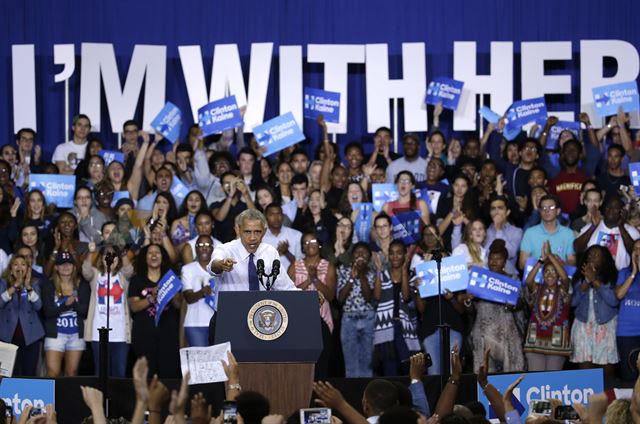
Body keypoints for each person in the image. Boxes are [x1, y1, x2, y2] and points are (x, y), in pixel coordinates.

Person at [468, 240, 525, 373]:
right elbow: (470, 311)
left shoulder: (513, 280)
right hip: (483, 335)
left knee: (511, 378)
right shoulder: (479, 280)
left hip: (507, 336)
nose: (494, 262)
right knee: (485, 379)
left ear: (505, 262)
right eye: (491, 258)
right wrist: (468, 301)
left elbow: (522, 304)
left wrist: (514, 305)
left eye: (498, 258)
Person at [207, 209, 297, 291]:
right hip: (230, 307)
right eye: (247, 232)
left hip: (260, 308)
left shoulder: (270, 252)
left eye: (257, 232)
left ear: (264, 231)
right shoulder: (225, 249)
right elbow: (213, 267)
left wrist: (306, 300)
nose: (252, 238)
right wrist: (220, 265)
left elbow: (286, 287)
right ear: (238, 230)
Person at [128, 244, 181, 377]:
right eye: (150, 253)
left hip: (168, 332)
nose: (154, 255)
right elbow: (134, 306)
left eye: (157, 253)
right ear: (144, 258)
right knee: (147, 373)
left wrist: (172, 291)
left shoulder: (170, 279)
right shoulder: (136, 280)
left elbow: (179, 304)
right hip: (144, 333)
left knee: (168, 372)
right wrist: (151, 298)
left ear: (162, 258)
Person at [288, 232, 336, 377]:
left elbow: (330, 296)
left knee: (322, 362)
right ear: (302, 247)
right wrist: (308, 281)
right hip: (299, 319)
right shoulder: (294, 266)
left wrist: (315, 279)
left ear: (320, 244)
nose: (310, 245)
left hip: (322, 317)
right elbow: (288, 294)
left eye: (313, 241)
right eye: (306, 243)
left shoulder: (328, 266)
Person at [82, 243, 133, 378]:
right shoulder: (96, 275)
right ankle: (101, 400)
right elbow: (86, 271)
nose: (110, 257)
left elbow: (129, 270)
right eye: (106, 254)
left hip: (121, 334)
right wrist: (91, 252)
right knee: (101, 374)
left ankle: (117, 400)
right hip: (98, 333)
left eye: (113, 255)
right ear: (101, 258)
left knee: (119, 374)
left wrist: (123, 254)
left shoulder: (122, 276)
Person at [570, 245, 619, 380]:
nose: (592, 258)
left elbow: (613, 301)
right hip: (583, 327)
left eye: (596, 255)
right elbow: (573, 302)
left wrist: (595, 281)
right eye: (590, 255)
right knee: (586, 376)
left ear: (605, 260)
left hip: (606, 327)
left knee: (607, 373)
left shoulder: (612, 277)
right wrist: (586, 281)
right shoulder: (579, 278)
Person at [373, 240, 421, 376]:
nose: (395, 256)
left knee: (407, 365)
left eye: (399, 253)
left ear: (405, 255)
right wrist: (378, 271)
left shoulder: (412, 277)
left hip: (404, 326)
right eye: (392, 253)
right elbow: (376, 296)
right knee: (389, 368)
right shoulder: (383, 275)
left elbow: (406, 297)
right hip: (386, 325)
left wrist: (404, 272)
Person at [523, 241, 572, 371]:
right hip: (534, 343)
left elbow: (565, 278)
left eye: (554, 271)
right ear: (543, 274)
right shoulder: (537, 289)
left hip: (556, 344)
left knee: (552, 381)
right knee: (535, 379)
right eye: (547, 271)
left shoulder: (564, 290)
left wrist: (550, 256)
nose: (550, 274)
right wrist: (541, 260)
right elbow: (528, 281)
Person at [41, 250, 90, 377]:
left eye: (69, 264)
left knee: (72, 373)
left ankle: (68, 397)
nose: (66, 267)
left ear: (74, 266)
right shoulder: (49, 286)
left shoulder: (82, 285)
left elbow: (84, 312)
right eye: (62, 264)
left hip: (75, 334)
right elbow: (48, 312)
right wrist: (66, 305)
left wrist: (72, 303)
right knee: (52, 373)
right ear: (56, 267)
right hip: (55, 334)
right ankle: (52, 397)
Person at [336, 242, 376, 377]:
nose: (360, 255)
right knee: (350, 364)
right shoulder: (342, 270)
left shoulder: (372, 272)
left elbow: (369, 297)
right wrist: (352, 278)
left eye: (364, 253)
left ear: (369, 257)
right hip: (348, 319)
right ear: (352, 256)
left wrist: (362, 274)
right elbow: (340, 299)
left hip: (368, 318)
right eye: (357, 252)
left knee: (367, 362)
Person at [0, 254, 44, 376]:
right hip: (7, 338)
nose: (19, 267)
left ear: (28, 269)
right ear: (10, 269)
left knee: (28, 374)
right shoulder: (3, 283)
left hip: (30, 338)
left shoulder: (34, 283)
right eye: (16, 264)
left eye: (23, 264)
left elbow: (38, 305)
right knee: (8, 374)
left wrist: (28, 286)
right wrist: (14, 286)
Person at [574, 195, 639, 270]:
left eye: (616, 208)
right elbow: (577, 248)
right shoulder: (592, 226)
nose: (611, 210)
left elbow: (634, 252)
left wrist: (621, 227)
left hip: (619, 278)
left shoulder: (631, 231)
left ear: (622, 211)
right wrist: (593, 227)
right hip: (592, 274)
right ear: (604, 209)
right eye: (608, 207)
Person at [519, 194, 576, 270]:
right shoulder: (530, 233)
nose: (547, 211)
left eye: (551, 207)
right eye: (543, 208)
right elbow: (522, 264)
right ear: (540, 211)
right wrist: (542, 262)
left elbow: (572, 261)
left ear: (558, 211)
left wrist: (558, 263)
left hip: (560, 277)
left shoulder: (568, 233)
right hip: (535, 278)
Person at [181, 235, 217, 347]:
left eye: (207, 245)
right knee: (201, 363)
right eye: (200, 245)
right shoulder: (187, 269)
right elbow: (188, 297)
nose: (204, 248)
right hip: (195, 324)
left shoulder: (219, 269)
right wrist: (202, 292)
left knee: (218, 362)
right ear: (195, 249)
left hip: (217, 324)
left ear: (213, 248)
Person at [615, 239, 640, 382]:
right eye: (635, 249)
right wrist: (634, 273)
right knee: (629, 377)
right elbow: (619, 295)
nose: (638, 252)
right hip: (627, 333)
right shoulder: (624, 273)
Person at [262, 203, 303, 272]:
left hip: (292, 279)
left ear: (283, 216)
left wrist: (287, 253)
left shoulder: (296, 235)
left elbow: (302, 266)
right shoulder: (260, 237)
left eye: (279, 214)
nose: (276, 218)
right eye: (272, 215)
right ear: (266, 217)